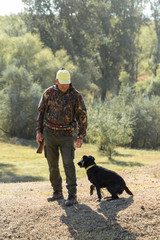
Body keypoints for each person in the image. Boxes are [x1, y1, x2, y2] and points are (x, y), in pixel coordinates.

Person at [36, 69, 87, 206]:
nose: (65, 86)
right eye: (62, 84)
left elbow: (82, 116)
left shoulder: (75, 95)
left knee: (68, 163)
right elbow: (41, 113)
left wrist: (80, 136)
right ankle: (57, 192)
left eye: (67, 84)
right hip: (49, 134)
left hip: (67, 135)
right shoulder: (48, 93)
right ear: (56, 81)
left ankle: (72, 194)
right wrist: (39, 132)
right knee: (52, 165)